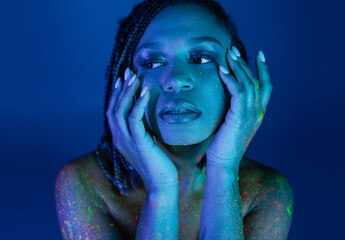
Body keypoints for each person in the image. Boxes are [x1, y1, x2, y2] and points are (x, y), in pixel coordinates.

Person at [55, 0, 293, 239]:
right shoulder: (86, 182)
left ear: (240, 76)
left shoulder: (266, 190)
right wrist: (160, 190)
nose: (175, 80)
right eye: (152, 63)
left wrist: (223, 169)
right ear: (127, 83)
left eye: (201, 59)